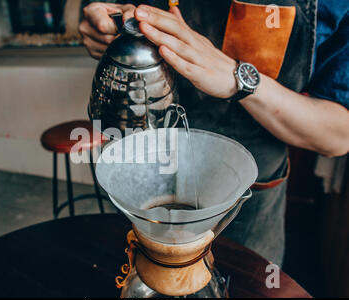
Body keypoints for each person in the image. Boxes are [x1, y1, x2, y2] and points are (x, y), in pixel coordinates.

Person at [79, 0, 349, 266]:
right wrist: (103, 20)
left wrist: (238, 80)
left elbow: (338, 135)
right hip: (142, 186)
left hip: (245, 204)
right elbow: (103, 9)